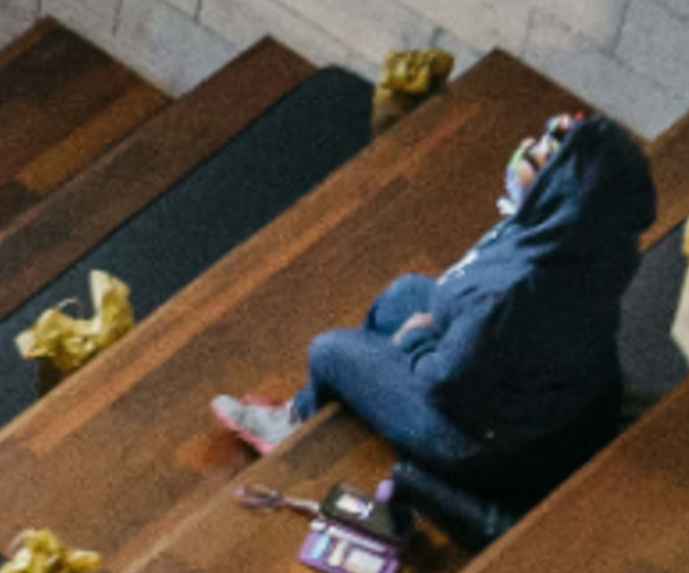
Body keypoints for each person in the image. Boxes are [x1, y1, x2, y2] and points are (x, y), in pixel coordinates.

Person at [211, 112, 657, 493]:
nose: (525, 148)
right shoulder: (596, 244)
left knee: (329, 351)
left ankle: (294, 425)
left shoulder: (511, 293)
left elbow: (447, 384)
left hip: (482, 444)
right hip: (558, 407)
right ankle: (333, 399)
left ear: (557, 198)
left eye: (539, 155)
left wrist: (419, 340)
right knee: (404, 293)